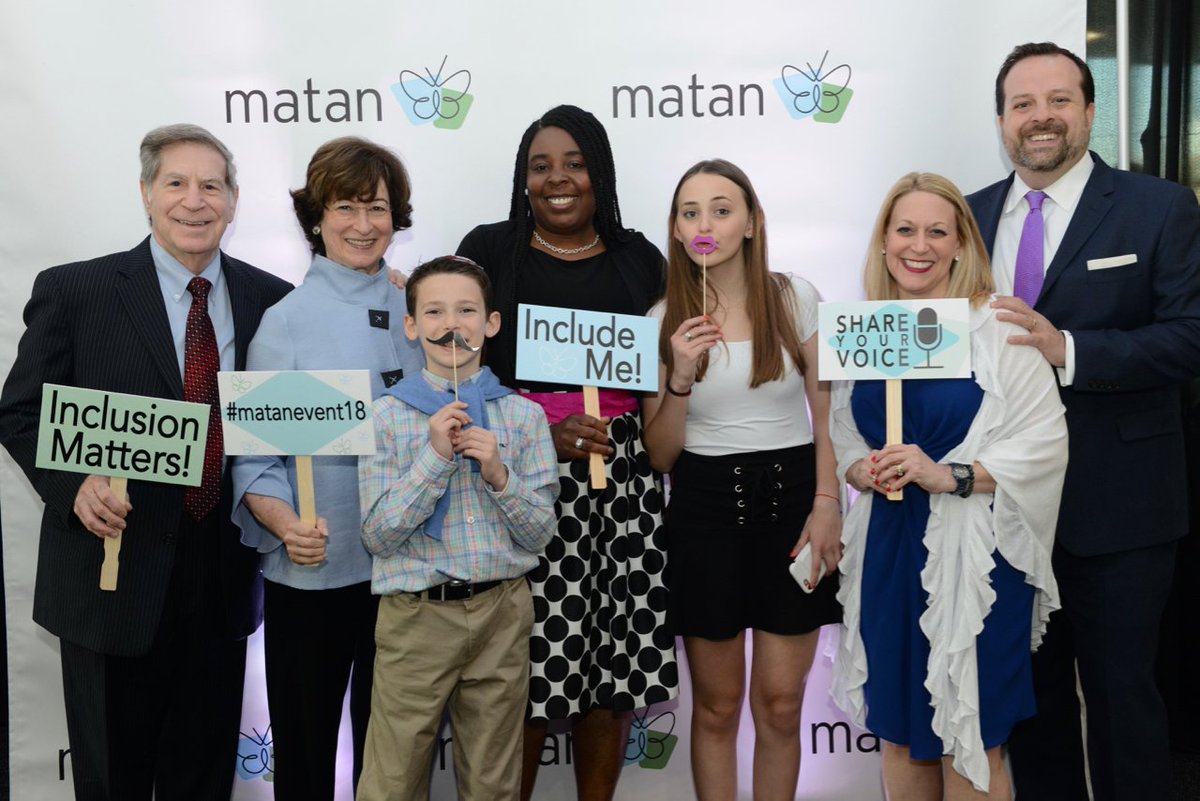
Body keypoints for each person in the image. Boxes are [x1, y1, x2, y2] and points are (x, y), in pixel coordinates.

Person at [0, 124, 292, 801]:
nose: (195, 201)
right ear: (146, 194)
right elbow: (19, 410)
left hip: (221, 579)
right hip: (111, 576)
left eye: (211, 185)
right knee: (114, 784)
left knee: (202, 781)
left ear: (235, 199)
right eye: (176, 183)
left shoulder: (272, 300)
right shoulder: (77, 291)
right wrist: (73, 484)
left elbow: (289, 417)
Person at [966, 42, 1200, 801]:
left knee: (1124, 706)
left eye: (1059, 100)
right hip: (1003, 511)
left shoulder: (1158, 207)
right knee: (1030, 716)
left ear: (1091, 112)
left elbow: (1190, 335)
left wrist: (1067, 347)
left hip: (1122, 510)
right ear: (1001, 120)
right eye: (1022, 104)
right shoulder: (965, 219)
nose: (1041, 118)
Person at [456, 104, 677, 801]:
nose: (558, 179)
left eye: (574, 163)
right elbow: (459, 370)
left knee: (608, 678)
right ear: (523, 179)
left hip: (625, 490)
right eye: (541, 165)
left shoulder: (640, 259)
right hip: (520, 486)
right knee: (524, 675)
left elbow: (651, 380)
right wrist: (539, 435)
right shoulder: (490, 251)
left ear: (599, 173)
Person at [829, 172, 1068, 799]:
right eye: (905, 229)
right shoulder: (864, 330)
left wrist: (948, 475)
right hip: (888, 549)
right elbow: (843, 433)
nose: (920, 245)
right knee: (904, 735)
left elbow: (1045, 447)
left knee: (973, 737)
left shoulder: (999, 328)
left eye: (938, 231)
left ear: (963, 243)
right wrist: (858, 469)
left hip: (976, 565)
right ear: (883, 241)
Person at [641, 158, 843, 801]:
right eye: (691, 212)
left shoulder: (797, 297)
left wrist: (827, 502)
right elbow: (662, 456)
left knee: (783, 706)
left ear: (752, 222)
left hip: (792, 505)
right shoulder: (660, 318)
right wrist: (677, 374)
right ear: (675, 229)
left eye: (722, 209)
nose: (706, 224)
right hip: (702, 512)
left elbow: (827, 415)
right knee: (718, 708)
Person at [231, 137, 423, 799]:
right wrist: (286, 524)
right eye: (346, 206)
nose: (363, 224)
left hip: (405, 577)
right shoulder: (284, 322)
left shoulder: (424, 310)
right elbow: (255, 455)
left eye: (377, 206)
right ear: (316, 216)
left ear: (397, 216)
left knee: (393, 764)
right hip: (312, 572)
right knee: (307, 760)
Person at [355, 255, 558, 801]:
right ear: (412, 326)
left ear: (491, 323)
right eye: (435, 311)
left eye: (467, 310)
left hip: (502, 612)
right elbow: (377, 535)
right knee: (392, 779)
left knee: (493, 780)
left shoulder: (523, 417)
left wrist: (497, 473)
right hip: (416, 617)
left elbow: (540, 533)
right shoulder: (387, 417)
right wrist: (435, 459)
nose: (452, 324)